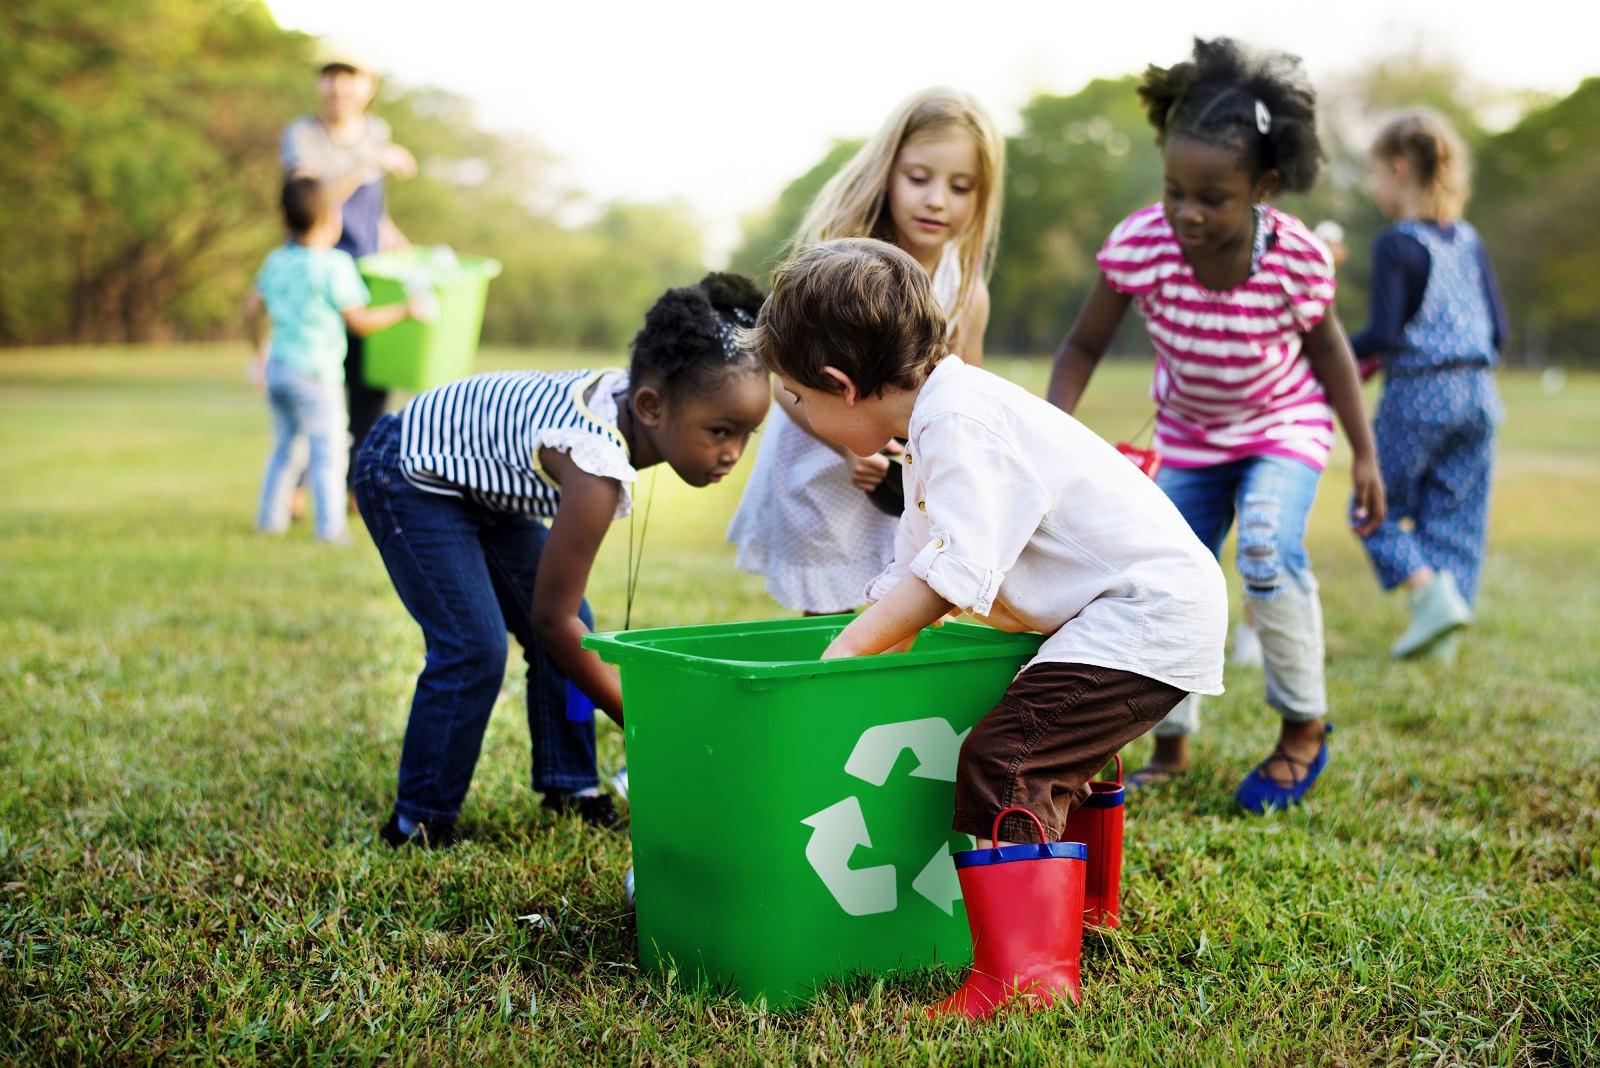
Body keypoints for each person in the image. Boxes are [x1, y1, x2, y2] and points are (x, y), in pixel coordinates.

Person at [751, 237, 1226, 1016]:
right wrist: (864, 670)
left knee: (1008, 762)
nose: (799, 415)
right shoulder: (942, 421)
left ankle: (1029, 982)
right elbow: (912, 578)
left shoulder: (960, 424)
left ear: (840, 384)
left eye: (798, 399)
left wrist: (844, 653)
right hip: (1127, 613)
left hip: (1143, 615)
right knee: (1057, 751)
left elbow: (950, 575)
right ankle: (1080, 921)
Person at [1047, 37, 1386, 812]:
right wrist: (1053, 434)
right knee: (1168, 576)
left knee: (1266, 545)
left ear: (1264, 186)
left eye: (1213, 197)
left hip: (1282, 425)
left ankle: (1303, 729)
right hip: (1192, 438)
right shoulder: (1143, 245)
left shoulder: (1295, 258)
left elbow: (1331, 355)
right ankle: (1172, 738)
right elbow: (1082, 344)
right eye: (1175, 190)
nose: (1188, 213)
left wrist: (1364, 453)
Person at [353, 274, 772, 847]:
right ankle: (418, 821)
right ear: (650, 406)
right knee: (474, 646)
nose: (732, 453)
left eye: (748, 433)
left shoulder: (634, 400)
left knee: (582, 629)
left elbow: (564, 621)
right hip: (408, 471)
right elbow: (552, 621)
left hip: (480, 488)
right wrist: (639, 716)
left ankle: (571, 785)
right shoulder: (594, 465)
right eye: (720, 431)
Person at [727, 88, 1004, 614]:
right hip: (823, 465)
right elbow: (785, 380)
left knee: (904, 608)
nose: (937, 200)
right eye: (919, 178)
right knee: (830, 618)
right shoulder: (837, 267)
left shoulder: (966, 291)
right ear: (887, 172)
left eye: (961, 186)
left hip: (904, 481)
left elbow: (965, 403)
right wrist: (849, 448)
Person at [1350, 109, 1506, 662]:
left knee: (1374, 509)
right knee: (1456, 518)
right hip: (1480, 395)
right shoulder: (1469, 239)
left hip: (1420, 394)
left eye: (1374, 175)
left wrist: (1325, 350)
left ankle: (1428, 599)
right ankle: (1441, 636)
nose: (1374, 188)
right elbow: (1500, 330)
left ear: (1398, 169)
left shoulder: (1397, 243)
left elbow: (1384, 333)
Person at [247, 177, 426, 544]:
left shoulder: (276, 261)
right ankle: (330, 530)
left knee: (285, 448)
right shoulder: (334, 265)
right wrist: (406, 309)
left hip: (279, 367)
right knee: (328, 449)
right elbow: (359, 321)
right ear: (332, 219)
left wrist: (258, 351)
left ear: (285, 222)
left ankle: (270, 522)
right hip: (316, 372)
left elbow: (251, 308)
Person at [282, 47, 417, 497]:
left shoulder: (377, 130)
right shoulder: (302, 136)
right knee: (318, 382)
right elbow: (311, 203)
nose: (338, 85)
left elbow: (372, 210)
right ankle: (298, 488)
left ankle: (360, 486)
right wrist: (367, 163)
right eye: (329, 75)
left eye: (349, 75)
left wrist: (395, 240)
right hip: (317, 274)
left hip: (367, 274)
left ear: (369, 85)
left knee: (370, 389)